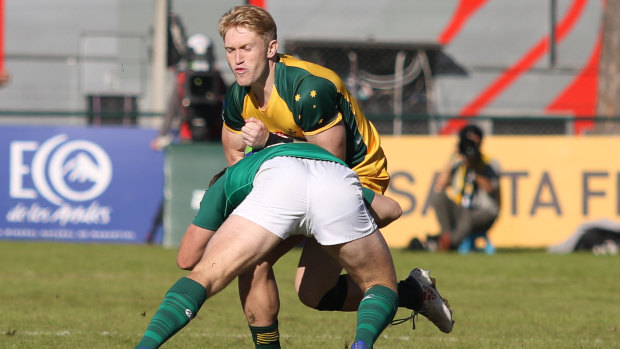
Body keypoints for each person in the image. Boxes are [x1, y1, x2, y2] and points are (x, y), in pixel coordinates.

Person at [214, 6, 416, 346]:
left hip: (356, 178)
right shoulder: (238, 95)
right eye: (230, 50)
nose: (237, 60)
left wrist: (271, 142)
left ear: (271, 48)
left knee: (311, 293)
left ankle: (406, 293)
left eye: (246, 48)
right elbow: (235, 155)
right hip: (295, 184)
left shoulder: (309, 88)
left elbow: (331, 168)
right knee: (252, 262)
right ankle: (411, 293)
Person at [134, 142, 452, 349]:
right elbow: (392, 209)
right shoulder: (301, 158)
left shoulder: (227, 184)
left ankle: (145, 346)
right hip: (336, 181)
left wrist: (283, 231)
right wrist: (321, 231)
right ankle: (403, 301)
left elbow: (186, 257)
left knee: (209, 274)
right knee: (323, 292)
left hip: (282, 186)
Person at [428, 124, 501, 251]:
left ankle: (447, 243)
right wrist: (452, 159)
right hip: (461, 208)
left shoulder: (489, 163)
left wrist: (474, 168)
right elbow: (440, 185)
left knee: (469, 216)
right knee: (438, 196)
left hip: (484, 212)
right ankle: (446, 236)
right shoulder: (457, 162)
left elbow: (490, 188)